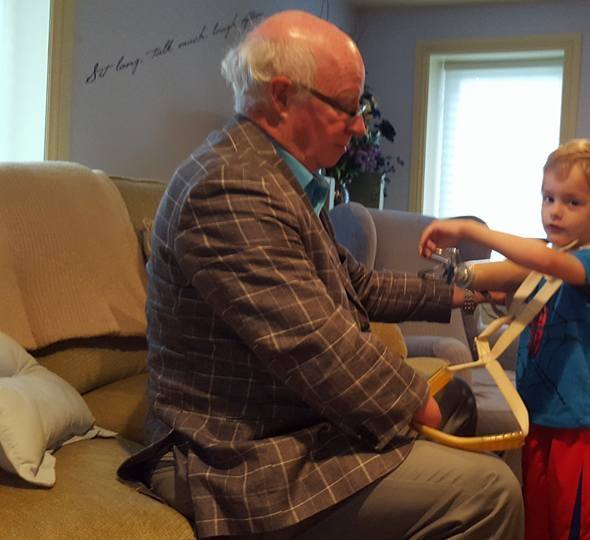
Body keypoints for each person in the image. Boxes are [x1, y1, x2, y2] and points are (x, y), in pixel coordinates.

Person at [117, 10, 522, 540]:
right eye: (348, 108)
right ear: (282, 96)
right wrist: (410, 398)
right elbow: (312, 343)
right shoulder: (230, 187)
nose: (360, 127)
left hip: (290, 423)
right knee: (490, 493)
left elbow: (358, 286)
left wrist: (466, 292)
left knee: (459, 402)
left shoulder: (276, 178)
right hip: (240, 457)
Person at [419, 139, 590, 540]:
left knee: (575, 531)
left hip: (580, 430)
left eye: (572, 202)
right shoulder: (547, 267)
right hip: (539, 420)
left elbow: (544, 260)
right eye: (549, 198)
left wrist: (471, 231)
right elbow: (500, 281)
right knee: (538, 528)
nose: (555, 210)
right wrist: (458, 277)